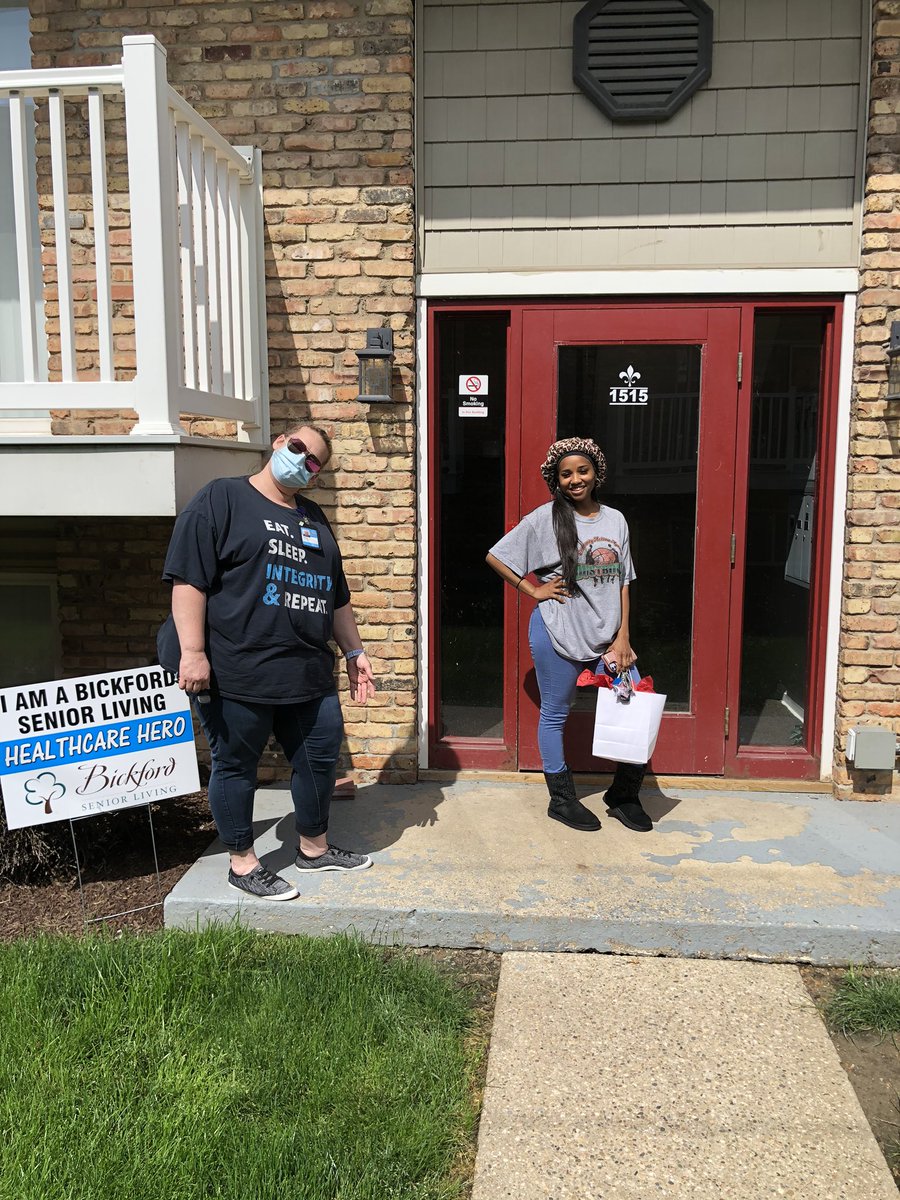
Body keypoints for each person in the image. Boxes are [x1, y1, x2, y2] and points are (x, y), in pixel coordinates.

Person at [157, 424, 376, 900]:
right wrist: (192, 653)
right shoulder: (222, 498)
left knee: (320, 758)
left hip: (306, 669)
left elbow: (336, 595)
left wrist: (354, 652)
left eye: (314, 462)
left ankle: (314, 849)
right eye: (298, 448)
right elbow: (188, 579)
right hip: (236, 667)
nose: (303, 462)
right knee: (236, 764)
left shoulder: (313, 516)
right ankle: (243, 862)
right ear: (278, 442)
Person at [486, 436, 652, 833]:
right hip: (556, 631)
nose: (575, 480)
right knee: (555, 713)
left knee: (636, 705)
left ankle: (623, 795)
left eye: (582, 471)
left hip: (609, 637)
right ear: (556, 480)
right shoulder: (545, 519)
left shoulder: (616, 520)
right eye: (566, 474)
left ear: (596, 474)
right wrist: (532, 590)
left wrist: (623, 637)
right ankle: (561, 799)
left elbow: (624, 582)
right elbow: (496, 556)